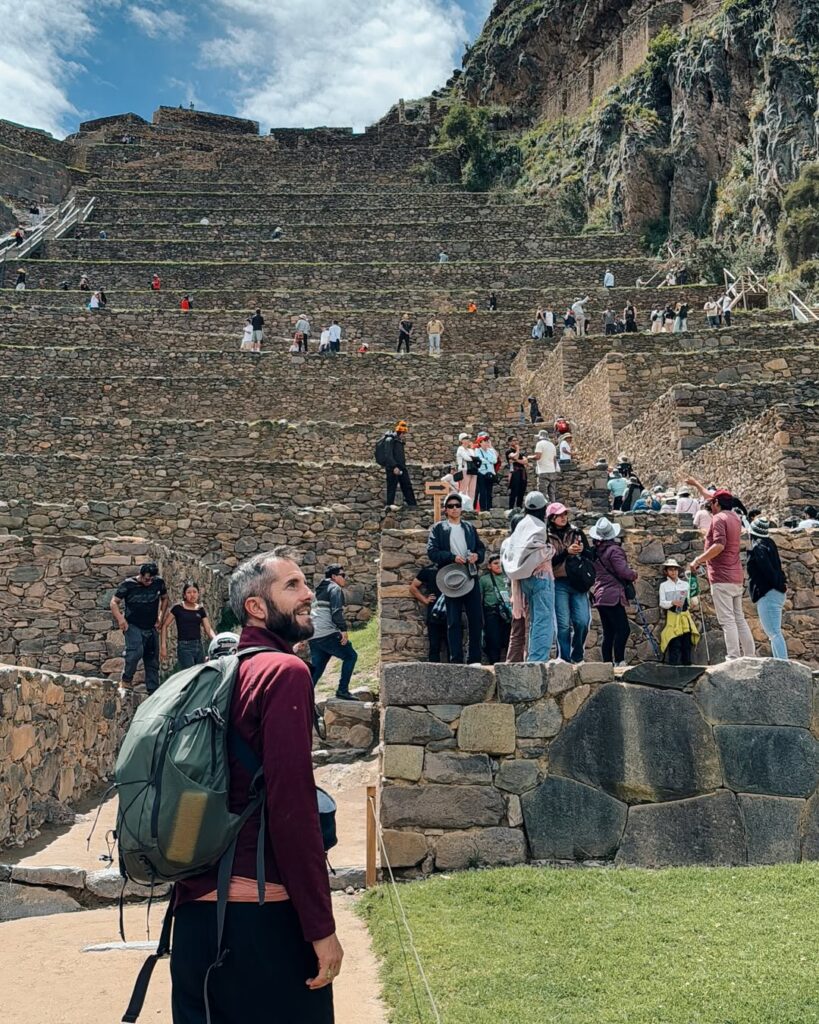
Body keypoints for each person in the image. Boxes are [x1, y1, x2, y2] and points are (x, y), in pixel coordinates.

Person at [170, 549, 341, 1024]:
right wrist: (319, 926)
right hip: (260, 921)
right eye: (292, 586)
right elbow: (292, 807)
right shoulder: (284, 673)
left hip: (194, 916)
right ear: (256, 607)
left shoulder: (216, 675)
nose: (309, 594)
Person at [686, 479, 755, 660]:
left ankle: (733, 657)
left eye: (712, 503)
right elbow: (715, 497)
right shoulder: (735, 518)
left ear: (717, 503)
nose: (710, 505)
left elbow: (719, 545)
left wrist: (697, 560)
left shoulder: (718, 519)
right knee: (739, 618)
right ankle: (750, 655)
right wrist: (696, 485)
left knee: (727, 620)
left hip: (722, 577)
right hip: (736, 576)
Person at [427, 494, 485, 663]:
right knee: (453, 620)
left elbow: (481, 549)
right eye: (451, 506)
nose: (454, 508)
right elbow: (432, 552)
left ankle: (475, 659)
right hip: (450, 577)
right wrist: (451, 557)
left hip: (470, 574)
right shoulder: (438, 528)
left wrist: (476, 556)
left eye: (457, 505)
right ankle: (456, 660)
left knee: (476, 619)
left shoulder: (469, 527)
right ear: (445, 509)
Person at [501, 491, 555, 662]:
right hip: (540, 576)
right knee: (542, 620)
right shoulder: (537, 525)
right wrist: (550, 550)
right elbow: (537, 548)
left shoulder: (521, 525)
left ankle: (533, 658)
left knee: (533, 622)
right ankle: (537, 660)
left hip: (525, 579)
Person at [110, 562, 168, 694]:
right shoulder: (128, 585)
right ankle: (126, 680)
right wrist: (120, 619)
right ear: (140, 575)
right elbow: (114, 602)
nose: (149, 582)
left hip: (151, 625)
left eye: (152, 579)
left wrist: (160, 616)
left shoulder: (158, 583)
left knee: (152, 659)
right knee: (135, 653)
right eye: (147, 579)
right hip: (133, 625)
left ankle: (153, 691)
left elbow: (165, 598)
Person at [589, 517, 637, 666]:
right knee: (623, 629)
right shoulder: (614, 550)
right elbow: (623, 571)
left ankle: (607, 663)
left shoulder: (596, 552)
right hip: (613, 595)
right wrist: (633, 574)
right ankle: (620, 661)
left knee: (609, 631)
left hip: (600, 595)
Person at [548, 502, 592, 663]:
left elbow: (590, 556)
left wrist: (582, 551)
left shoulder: (577, 533)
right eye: (559, 515)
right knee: (563, 624)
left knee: (582, 621)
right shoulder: (546, 536)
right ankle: (564, 658)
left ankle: (577, 654)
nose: (563, 518)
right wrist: (566, 552)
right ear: (552, 518)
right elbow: (548, 562)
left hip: (577, 582)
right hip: (559, 582)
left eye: (565, 515)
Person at [310, 564, 358, 700]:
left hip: (314, 636)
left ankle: (300, 700)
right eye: (342, 575)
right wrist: (343, 630)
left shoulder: (317, 592)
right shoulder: (334, 588)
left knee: (316, 671)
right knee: (350, 656)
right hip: (327, 633)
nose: (345, 578)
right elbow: (337, 612)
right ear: (334, 577)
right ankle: (342, 690)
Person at [747, 518, 788, 659]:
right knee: (774, 633)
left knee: (774, 633)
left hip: (768, 593)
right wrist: (782, 583)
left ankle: (783, 665)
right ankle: (780, 663)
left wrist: (776, 584)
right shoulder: (770, 544)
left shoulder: (758, 548)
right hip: (776, 592)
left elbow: (767, 571)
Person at [160, 579, 216, 668]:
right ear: (184, 595)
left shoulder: (200, 609)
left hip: (199, 646)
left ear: (198, 593)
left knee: (200, 675)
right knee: (190, 675)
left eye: (195, 592)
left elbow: (208, 629)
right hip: (184, 647)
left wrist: (216, 640)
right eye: (189, 592)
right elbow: (164, 625)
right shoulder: (178, 608)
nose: (192, 595)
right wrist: (163, 646)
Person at [658, 559, 698, 665]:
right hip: (673, 617)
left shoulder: (685, 584)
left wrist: (693, 603)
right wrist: (672, 602)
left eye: (675, 569)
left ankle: (687, 665)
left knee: (686, 643)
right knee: (674, 642)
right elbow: (662, 603)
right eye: (670, 569)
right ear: (666, 571)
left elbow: (690, 599)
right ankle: (673, 667)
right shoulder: (664, 586)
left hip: (685, 617)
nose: (673, 572)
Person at [409, 563, 447, 662]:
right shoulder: (429, 570)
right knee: (434, 645)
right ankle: (433, 674)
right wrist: (425, 600)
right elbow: (413, 587)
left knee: (453, 647)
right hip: (434, 612)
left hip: (452, 611)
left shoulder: (454, 568)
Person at [480, 555, 511, 664]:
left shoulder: (509, 577)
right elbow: (480, 598)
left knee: (509, 640)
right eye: (496, 563)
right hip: (492, 612)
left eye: (501, 563)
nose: (499, 566)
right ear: (489, 566)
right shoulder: (484, 580)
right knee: (493, 641)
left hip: (508, 613)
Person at [383, 420, 417, 509]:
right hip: (392, 468)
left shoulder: (399, 441)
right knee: (392, 487)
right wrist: (394, 466)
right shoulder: (389, 440)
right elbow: (388, 455)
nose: (403, 435)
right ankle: (389, 506)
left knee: (407, 485)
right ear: (399, 432)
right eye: (403, 433)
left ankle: (412, 505)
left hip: (402, 467)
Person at [532, 429, 559, 503]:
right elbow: (554, 460)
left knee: (542, 494)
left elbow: (538, 457)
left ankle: (544, 510)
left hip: (543, 471)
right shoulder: (552, 445)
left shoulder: (540, 444)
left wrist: (529, 457)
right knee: (552, 493)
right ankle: (553, 510)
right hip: (552, 471)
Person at [475, 434, 498, 513]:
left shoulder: (491, 451)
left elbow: (495, 460)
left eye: (487, 441)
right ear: (480, 443)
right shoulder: (477, 451)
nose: (486, 443)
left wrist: (487, 459)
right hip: (482, 473)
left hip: (490, 473)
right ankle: (483, 508)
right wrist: (488, 460)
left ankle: (489, 507)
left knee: (489, 491)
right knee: (482, 491)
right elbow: (480, 460)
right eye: (484, 441)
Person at [505, 437, 528, 510]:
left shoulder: (521, 453)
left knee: (521, 491)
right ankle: (511, 508)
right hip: (515, 472)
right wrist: (517, 450)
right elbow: (514, 456)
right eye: (514, 440)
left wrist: (516, 460)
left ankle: (519, 507)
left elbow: (525, 461)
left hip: (522, 472)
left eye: (516, 440)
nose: (516, 442)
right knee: (514, 490)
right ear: (510, 442)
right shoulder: (508, 451)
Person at [456, 433, 478, 505]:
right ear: (461, 440)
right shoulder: (460, 448)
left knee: (472, 490)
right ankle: (462, 505)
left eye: (468, 439)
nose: (467, 440)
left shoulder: (470, 450)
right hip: (464, 470)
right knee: (463, 489)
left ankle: (470, 506)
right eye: (465, 439)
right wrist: (473, 458)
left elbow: (475, 457)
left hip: (472, 470)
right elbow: (467, 458)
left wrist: (473, 458)